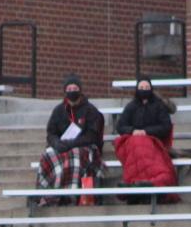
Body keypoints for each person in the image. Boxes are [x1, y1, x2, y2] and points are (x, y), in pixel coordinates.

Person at [35, 76, 104, 207]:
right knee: (48, 154)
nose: (72, 91)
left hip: (85, 147)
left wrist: (71, 143)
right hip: (62, 147)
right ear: (65, 91)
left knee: (75, 154)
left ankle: (70, 194)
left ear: (80, 90)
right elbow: (51, 133)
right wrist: (57, 143)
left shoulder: (90, 110)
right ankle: (48, 195)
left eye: (75, 88)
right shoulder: (58, 110)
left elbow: (92, 136)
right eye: (69, 88)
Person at [113, 78, 177, 195]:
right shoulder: (131, 106)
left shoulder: (158, 106)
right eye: (141, 88)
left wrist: (146, 132)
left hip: (154, 141)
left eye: (146, 88)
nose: (144, 90)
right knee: (135, 143)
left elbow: (165, 126)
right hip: (132, 140)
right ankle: (135, 181)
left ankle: (144, 181)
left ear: (151, 89)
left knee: (141, 145)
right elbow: (121, 126)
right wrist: (133, 131)